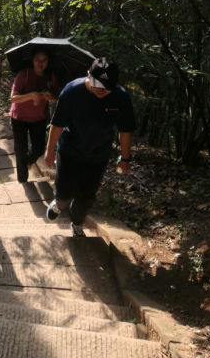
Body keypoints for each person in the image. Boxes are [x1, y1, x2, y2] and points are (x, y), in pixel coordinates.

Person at [44, 57, 136, 237]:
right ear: (88, 75)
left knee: (86, 196)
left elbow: (125, 130)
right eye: (97, 85)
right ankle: (59, 204)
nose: (101, 90)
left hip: (98, 154)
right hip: (69, 150)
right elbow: (57, 124)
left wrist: (125, 158)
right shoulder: (72, 91)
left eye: (106, 87)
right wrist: (49, 151)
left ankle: (77, 223)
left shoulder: (120, 96)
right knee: (64, 192)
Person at [9, 48, 58, 183]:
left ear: (48, 62)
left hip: (39, 118)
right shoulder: (24, 74)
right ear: (32, 60)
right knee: (21, 149)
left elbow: (55, 98)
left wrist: (50, 97)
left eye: (44, 60)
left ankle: (27, 162)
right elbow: (13, 98)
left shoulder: (51, 77)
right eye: (37, 60)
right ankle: (22, 180)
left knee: (39, 148)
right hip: (19, 117)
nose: (40, 63)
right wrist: (30, 95)